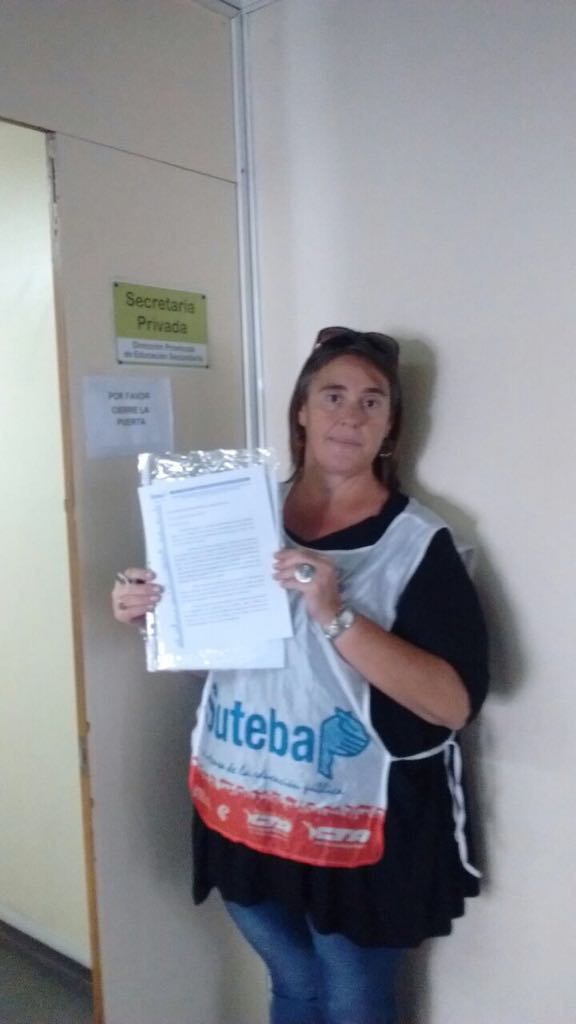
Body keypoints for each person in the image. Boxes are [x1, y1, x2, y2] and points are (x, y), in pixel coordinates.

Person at [112, 327, 489, 1024]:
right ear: (302, 411)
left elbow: (450, 705)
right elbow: (219, 653)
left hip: (360, 823)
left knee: (351, 995)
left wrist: (335, 613)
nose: (351, 415)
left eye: (372, 401)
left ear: (391, 425)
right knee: (292, 981)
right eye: (333, 395)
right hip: (248, 799)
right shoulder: (238, 514)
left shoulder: (419, 544)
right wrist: (154, 614)